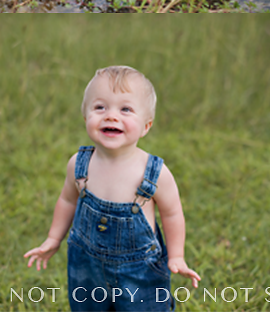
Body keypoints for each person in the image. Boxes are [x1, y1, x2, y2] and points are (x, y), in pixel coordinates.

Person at [24, 61, 199, 309]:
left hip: (139, 272)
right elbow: (67, 200)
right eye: (100, 107)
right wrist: (54, 238)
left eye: (126, 109)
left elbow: (172, 213)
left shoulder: (154, 173)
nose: (111, 115)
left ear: (146, 126)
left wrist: (177, 255)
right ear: (86, 117)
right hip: (86, 267)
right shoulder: (79, 164)